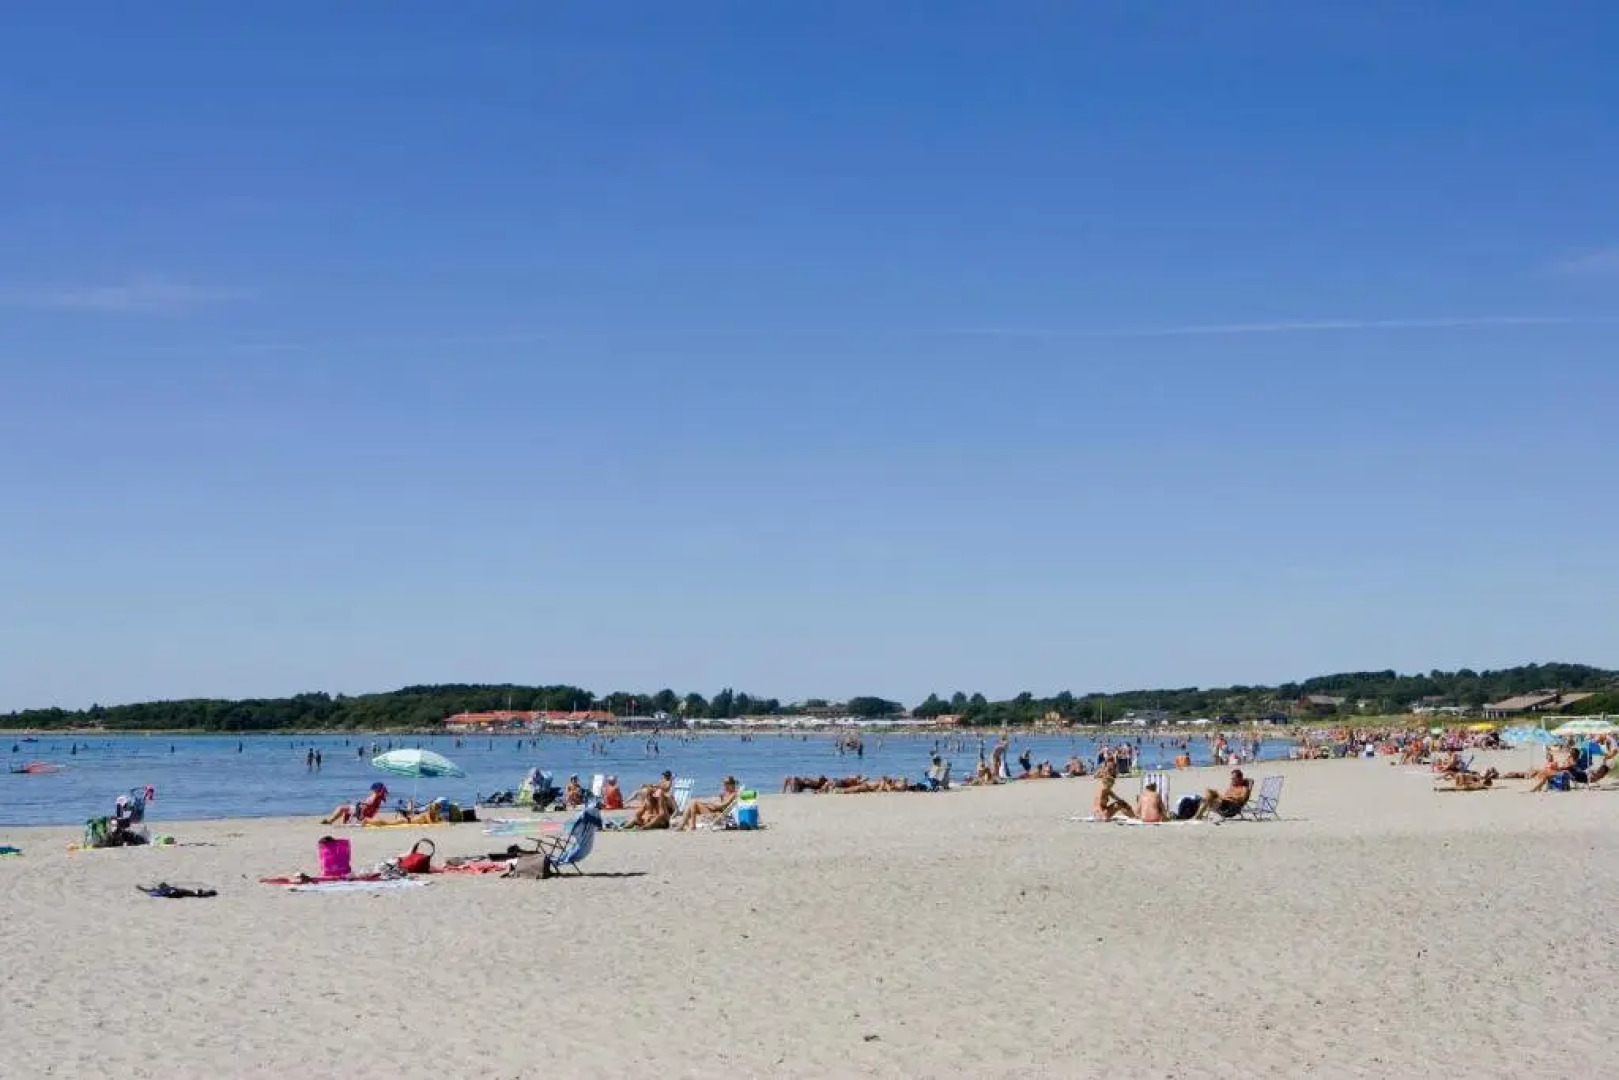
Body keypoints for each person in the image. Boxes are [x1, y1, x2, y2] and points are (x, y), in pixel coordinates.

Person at [322, 782, 388, 825]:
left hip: (362, 812)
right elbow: (371, 806)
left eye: (373, 789)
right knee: (346, 807)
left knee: (342, 807)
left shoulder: (375, 796)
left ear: (376, 789)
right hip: (365, 811)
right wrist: (361, 803)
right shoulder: (378, 796)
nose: (372, 790)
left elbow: (369, 805)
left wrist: (360, 804)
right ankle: (343, 822)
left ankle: (331, 821)